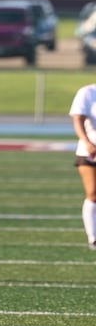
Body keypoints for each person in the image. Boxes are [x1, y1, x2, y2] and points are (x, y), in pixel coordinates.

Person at [69, 83, 96, 250]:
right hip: (90, 151)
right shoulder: (87, 92)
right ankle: (93, 236)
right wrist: (88, 143)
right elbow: (77, 119)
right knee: (93, 193)